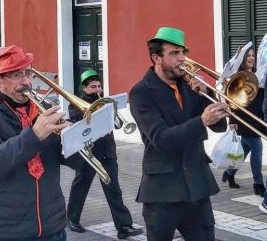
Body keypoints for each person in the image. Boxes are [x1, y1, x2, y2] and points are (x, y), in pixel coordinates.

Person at [129, 27, 228, 241]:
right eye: (174, 53)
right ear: (157, 58)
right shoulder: (141, 92)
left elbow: (220, 128)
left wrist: (208, 95)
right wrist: (202, 120)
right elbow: (161, 139)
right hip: (163, 192)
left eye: (183, 52)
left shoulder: (189, 85)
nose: (182, 59)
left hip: (197, 187)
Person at [0, 45, 70, 241]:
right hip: (4, 228)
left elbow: (64, 159)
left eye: (27, 73)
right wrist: (34, 136)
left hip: (51, 225)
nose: (26, 82)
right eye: (16, 75)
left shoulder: (43, 108)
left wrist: (79, 139)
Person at [67, 69, 143, 238]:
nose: (98, 90)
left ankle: (123, 226)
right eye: (93, 87)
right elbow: (77, 125)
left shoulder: (106, 102)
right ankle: (72, 219)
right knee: (81, 186)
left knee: (114, 189)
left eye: (99, 86)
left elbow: (115, 125)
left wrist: (112, 112)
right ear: (85, 88)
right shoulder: (76, 104)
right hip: (88, 152)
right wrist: (92, 114)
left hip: (107, 151)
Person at [223, 47, 266, 196]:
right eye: (248, 55)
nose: (252, 58)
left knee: (244, 150)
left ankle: (229, 173)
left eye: (253, 55)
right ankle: (258, 184)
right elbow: (230, 99)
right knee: (256, 149)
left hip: (257, 117)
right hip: (243, 118)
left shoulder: (259, 73)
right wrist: (232, 119)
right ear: (242, 58)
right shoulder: (238, 75)